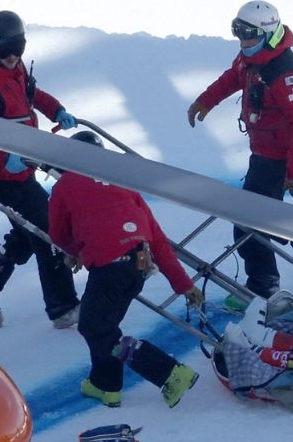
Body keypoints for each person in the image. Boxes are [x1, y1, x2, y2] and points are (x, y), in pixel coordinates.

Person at [186, 0, 293, 302]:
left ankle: (268, 283)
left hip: (278, 157)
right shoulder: (252, 58)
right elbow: (231, 78)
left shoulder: (282, 73)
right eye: (240, 34)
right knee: (261, 219)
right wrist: (206, 100)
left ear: (269, 33)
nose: (244, 42)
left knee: (251, 223)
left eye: (250, 35)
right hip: (261, 151)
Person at [48, 130, 205, 409]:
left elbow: (58, 234)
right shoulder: (122, 182)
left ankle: (169, 372)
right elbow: (157, 238)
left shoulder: (65, 184)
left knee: (95, 328)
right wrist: (184, 285)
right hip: (139, 265)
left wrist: (78, 252)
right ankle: (105, 386)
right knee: (105, 325)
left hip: (109, 266)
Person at [0, 10, 79, 329]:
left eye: (17, 51)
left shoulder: (16, 68)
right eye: (5, 53)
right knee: (49, 232)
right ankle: (63, 307)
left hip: (22, 168)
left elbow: (31, 94)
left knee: (30, 230)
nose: (12, 59)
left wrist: (56, 110)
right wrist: (0, 155)